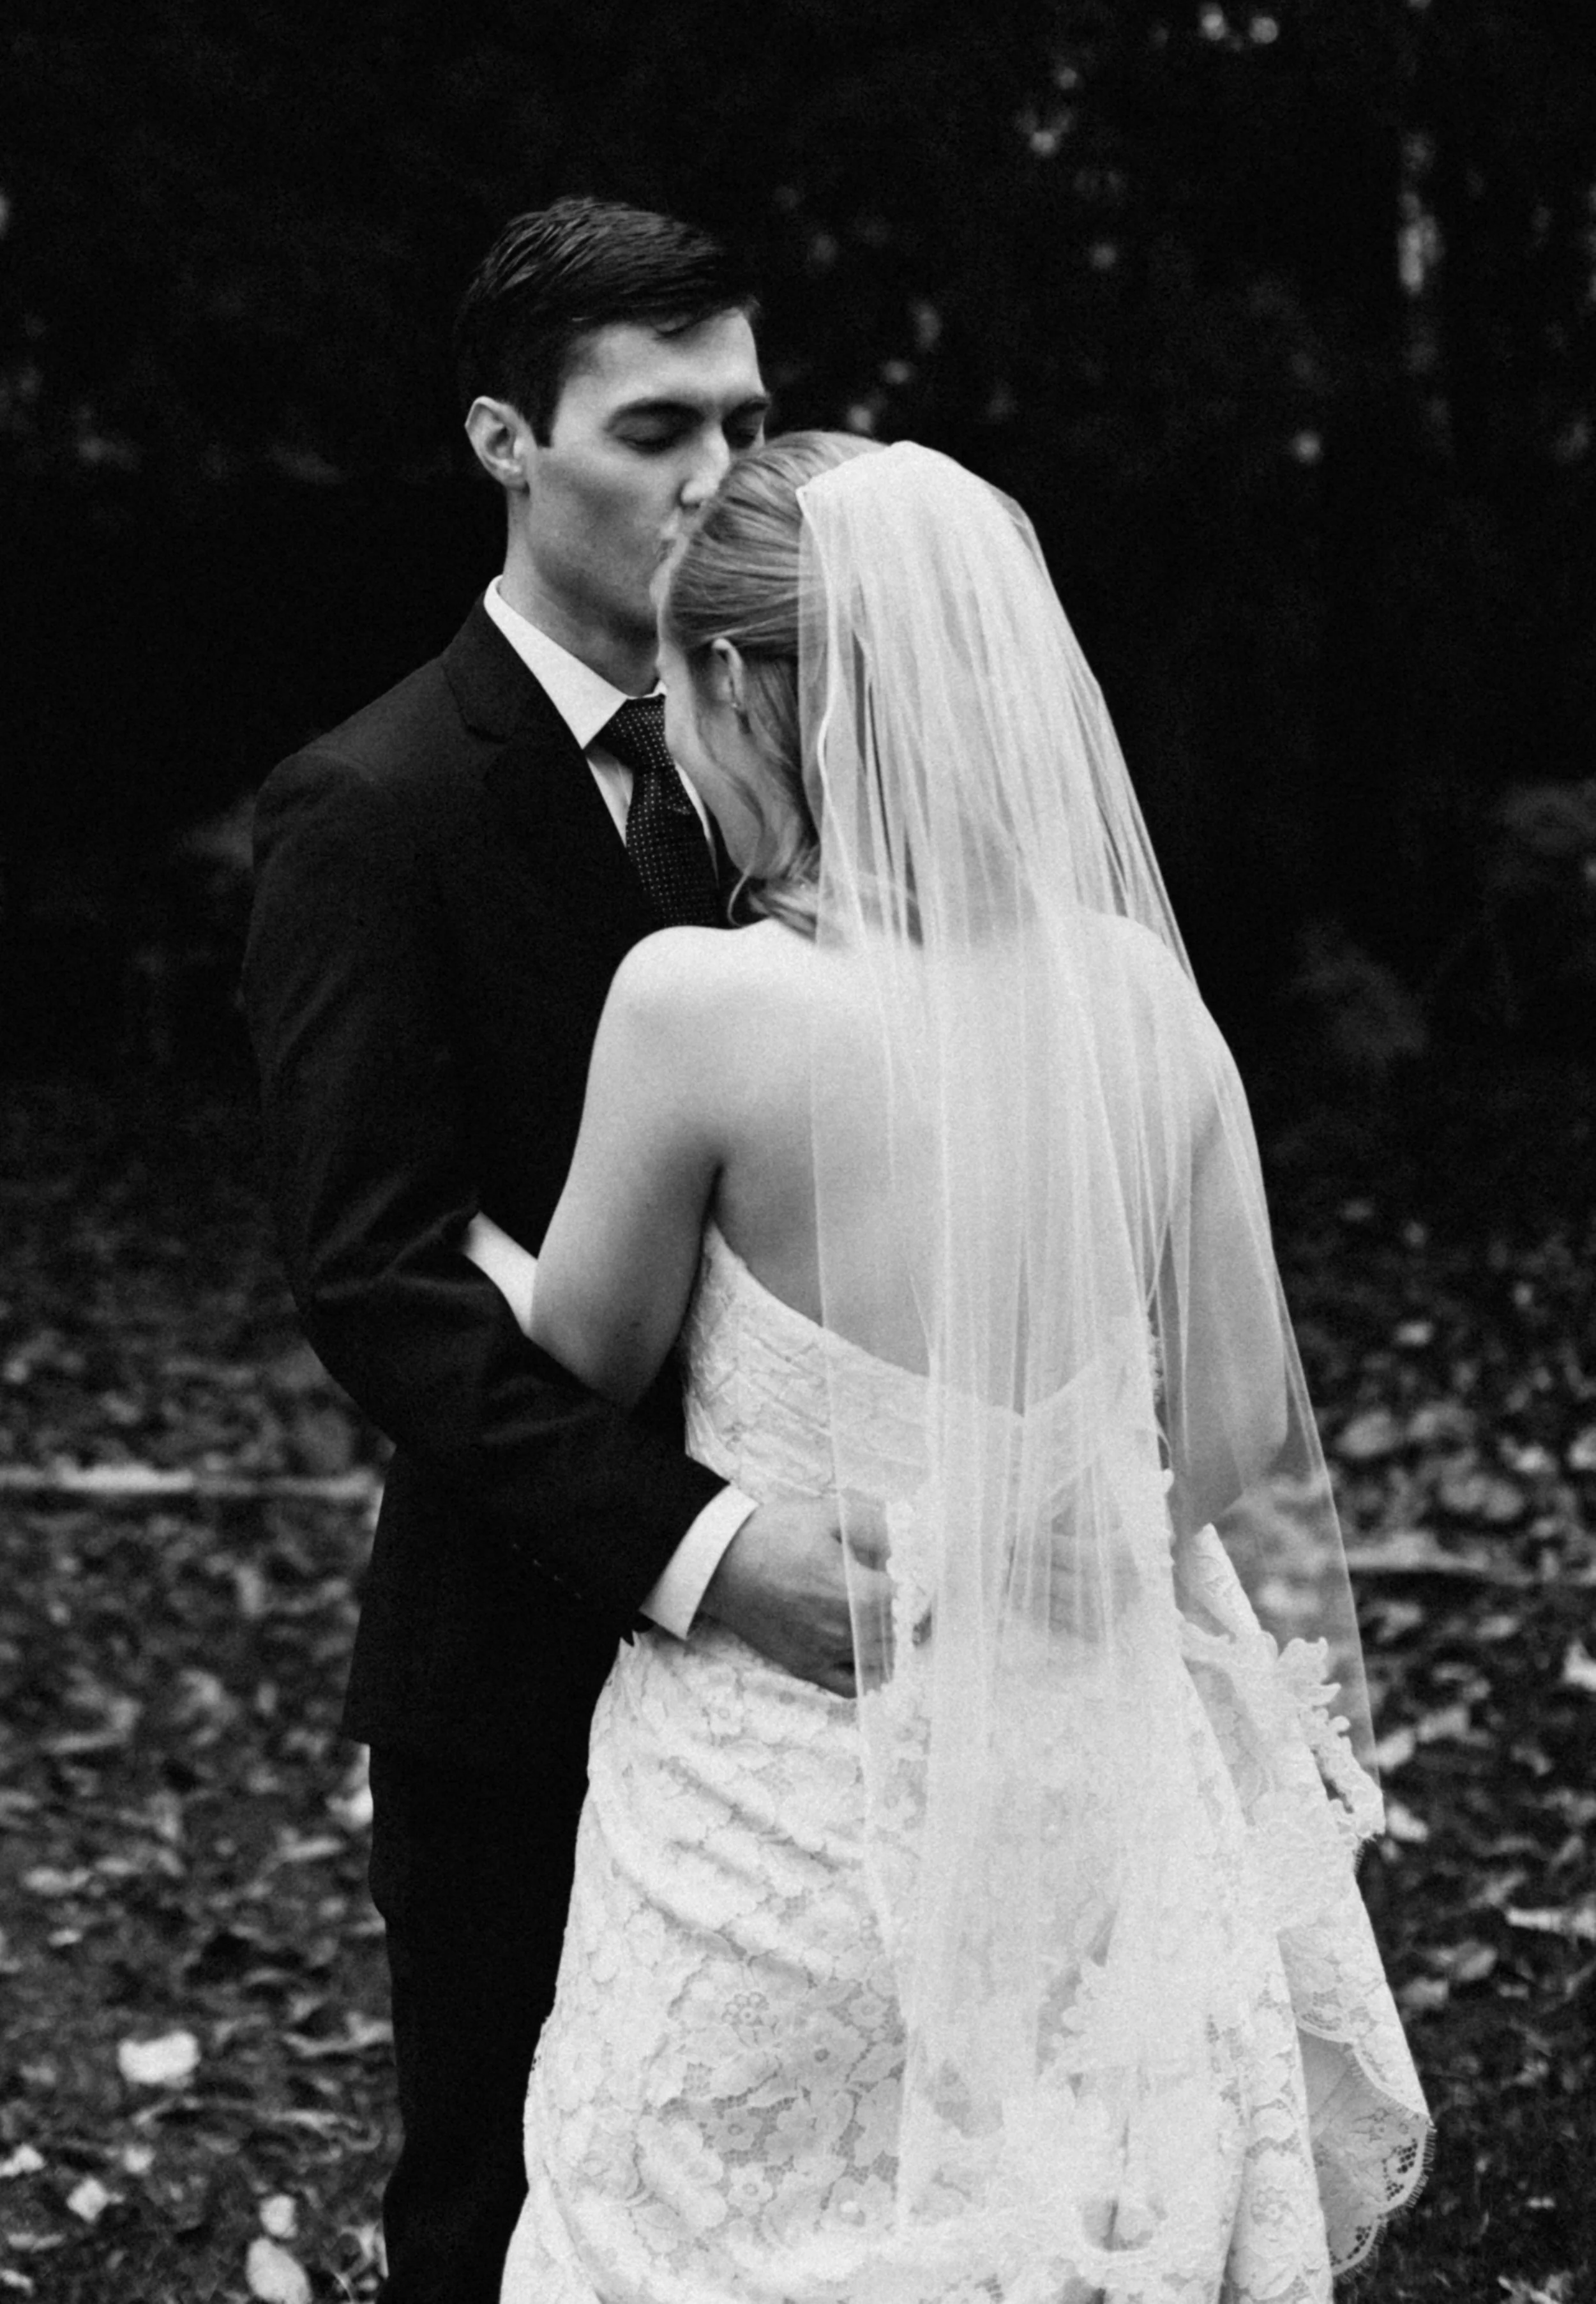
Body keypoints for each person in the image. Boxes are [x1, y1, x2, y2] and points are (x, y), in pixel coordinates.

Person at [490, 434, 1431, 2301]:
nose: (676, 741)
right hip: (1074, 1793)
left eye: (681, 687)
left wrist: (460, 1238)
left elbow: (579, 1356)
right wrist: (1016, 1539)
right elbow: (1233, 1424)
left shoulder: (703, 1003)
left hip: (773, 1826)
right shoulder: (1135, 998)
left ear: (746, 688)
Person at [242, 202, 882, 2304]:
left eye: (752, 418)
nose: (722, 476)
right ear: (508, 440)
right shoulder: (374, 800)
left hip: (849, 1693)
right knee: (506, 2201)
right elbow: (378, 1268)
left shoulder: (809, 777)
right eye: (658, 426)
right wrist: (702, 1549)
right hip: (521, 1644)